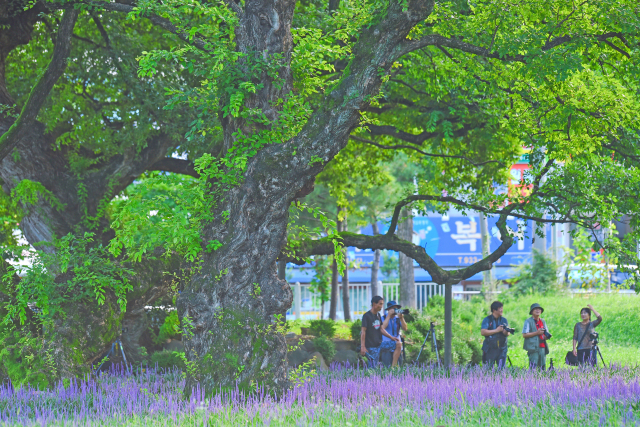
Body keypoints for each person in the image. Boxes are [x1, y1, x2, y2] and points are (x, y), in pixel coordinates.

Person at [360, 296, 396, 367]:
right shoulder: (366, 316)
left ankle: (393, 367)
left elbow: (381, 329)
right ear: (374, 304)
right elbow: (363, 332)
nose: (382, 306)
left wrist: (391, 337)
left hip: (379, 344)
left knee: (397, 344)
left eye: (382, 304)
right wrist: (363, 347)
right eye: (380, 304)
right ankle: (369, 377)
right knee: (373, 368)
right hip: (371, 347)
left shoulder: (378, 315)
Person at [480, 301, 511, 368]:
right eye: (500, 308)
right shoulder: (487, 319)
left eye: (502, 308)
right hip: (490, 349)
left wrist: (505, 332)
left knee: (502, 369)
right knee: (488, 369)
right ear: (494, 310)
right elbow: (483, 332)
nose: (502, 310)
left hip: (502, 348)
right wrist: (496, 330)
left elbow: (508, 334)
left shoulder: (504, 320)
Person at [522, 303, 551, 369]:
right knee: (533, 367)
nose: (538, 310)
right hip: (533, 347)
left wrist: (547, 336)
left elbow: (546, 334)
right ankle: (532, 379)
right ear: (532, 311)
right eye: (535, 309)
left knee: (542, 367)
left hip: (542, 347)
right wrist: (537, 333)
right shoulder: (528, 321)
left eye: (539, 309)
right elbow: (524, 334)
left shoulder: (542, 321)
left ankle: (542, 379)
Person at [380, 300, 408, 367]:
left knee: (398, 368)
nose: (395, 310)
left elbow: (405, 328)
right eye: (393, 308)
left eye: (396, 308)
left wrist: (401, 318)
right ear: (388, 309)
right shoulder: (383, 317)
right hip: (387, 347)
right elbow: (382, 327)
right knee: (386, 367)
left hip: (398, 347)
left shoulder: (398, 318)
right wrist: (389, 316)